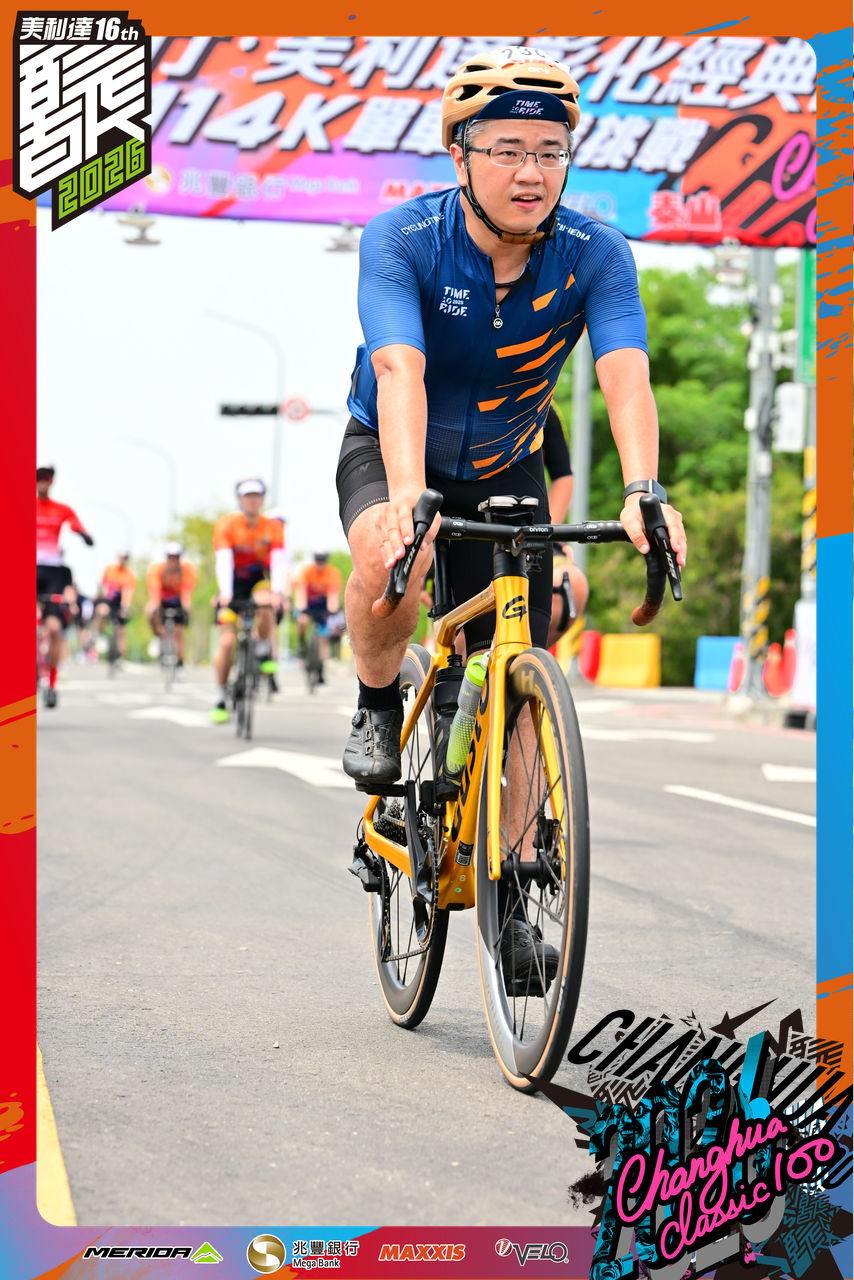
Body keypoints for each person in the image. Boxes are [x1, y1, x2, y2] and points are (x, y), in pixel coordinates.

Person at [334, 46, 686, 986]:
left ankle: (523, 888)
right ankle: (378, 703)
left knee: (516, 670)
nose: (531, 172)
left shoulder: (595, 252)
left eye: (549, 151)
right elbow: (399, 369)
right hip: (392, 446)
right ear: (461, 156)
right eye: (506, 150)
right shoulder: (403, 238)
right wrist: (405, 496)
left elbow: (625, 373)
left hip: (507, 462)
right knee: (393, 559)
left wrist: (644, 488)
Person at [210, 478, 287, 722]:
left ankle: (263, 649)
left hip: (257, 581)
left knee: (266, 600)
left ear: (262, 499)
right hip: (232, 584)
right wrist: (225, 593)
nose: (252, 500)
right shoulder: (227, 524)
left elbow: (278, 563)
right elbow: (223, 559)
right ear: (240, 500)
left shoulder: (273, 527)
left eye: (257, 496)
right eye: (248, 496)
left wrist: (278, 592)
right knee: (227, 642)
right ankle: (220, 697)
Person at [36, 465, 94, 706]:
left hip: (52, 572)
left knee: (54, 629)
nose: (43, 482)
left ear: (52, 481)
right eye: (39, 477)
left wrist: (84, 535)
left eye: (47, 477)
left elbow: (76, 525)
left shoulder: (62, 509)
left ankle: (51, 683)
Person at [541, 401, 590, 648]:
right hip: (458, 527)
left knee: (572, 584)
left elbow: (563, 476)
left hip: (527, 529)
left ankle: (524, 657)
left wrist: (549, 531)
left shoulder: (545, 406)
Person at [145, 541, 197, 671]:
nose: (173, 560)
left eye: (176, 557)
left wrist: (187, 607)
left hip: (178, 601)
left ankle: (179, 663)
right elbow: (155, 592)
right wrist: (155, 606)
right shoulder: (157, 569)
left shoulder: (187, 570)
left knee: (179, 633)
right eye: (170, 557)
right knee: (150, 610)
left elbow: (186, 592)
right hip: (162, 600)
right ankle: (157, 636)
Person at [293, 553, 342, 685]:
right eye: (318, 560)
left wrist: (332, 610)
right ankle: (301, 642)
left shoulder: (332, 573)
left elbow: (333, 595)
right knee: (302, 619)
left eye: (323, 560)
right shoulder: (306, 571)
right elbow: (300, 592)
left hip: (323, 604)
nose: (320, 563)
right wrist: (302, 608)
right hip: (308, 603)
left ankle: (320, 667)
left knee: (324, 637)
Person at [93, 551, 136, 660]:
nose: (123, 560)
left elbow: (128, 592)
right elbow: (102, 586)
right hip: (108, 600)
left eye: (125, 558)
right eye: (121, 557)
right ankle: (99, 634)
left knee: (121, 630)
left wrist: (125, 607)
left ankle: (122, 657)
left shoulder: (129, 574)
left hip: (120, 603)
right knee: (102, 611)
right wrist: (101, 599)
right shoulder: (109, 569)